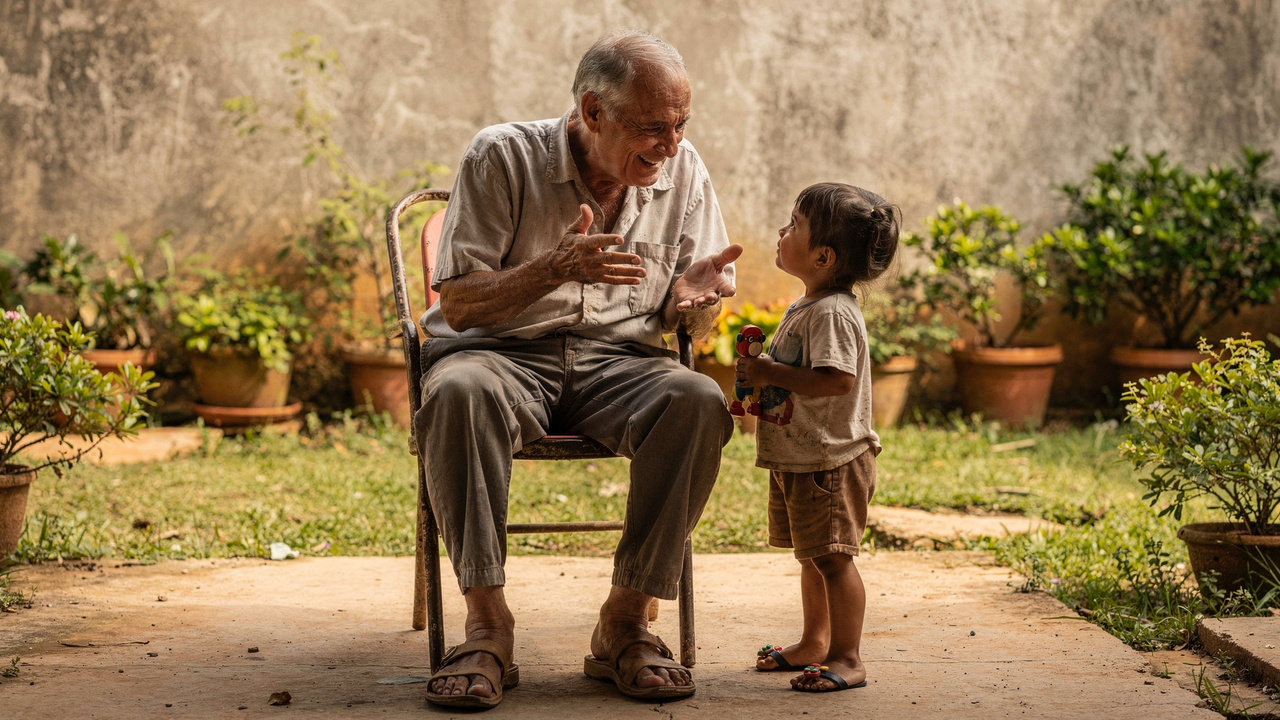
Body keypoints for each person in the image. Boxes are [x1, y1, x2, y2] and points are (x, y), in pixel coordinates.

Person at [416, 30, 742, 708]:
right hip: (500, 354)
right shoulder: (501, 155)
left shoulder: (684, 170)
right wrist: (552, 269)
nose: (672, 144)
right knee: (457, 390)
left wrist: (696, 304)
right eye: (653, 127)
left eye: (681, 124)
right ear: (594, 113)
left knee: (697, 400)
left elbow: (693, 312)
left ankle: (624, 623)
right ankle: (485, 626)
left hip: (620, 362)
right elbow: (461, 303)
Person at [735, 182, 900, 692]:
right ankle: (814, 642)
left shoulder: (831, 312)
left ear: (824, 256)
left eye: (794, 225)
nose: (783, 232)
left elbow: (837, 381)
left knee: (833, 557)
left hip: (830, 461)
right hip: (802, 457)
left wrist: (767, 375)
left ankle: (847, 657)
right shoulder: (809, 305)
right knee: (811, 554)